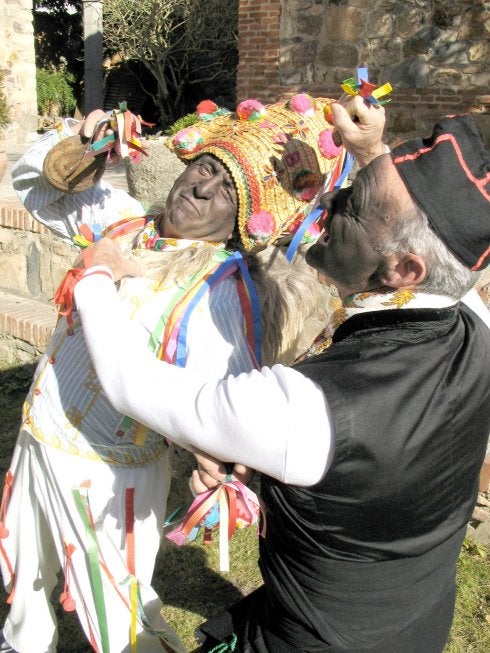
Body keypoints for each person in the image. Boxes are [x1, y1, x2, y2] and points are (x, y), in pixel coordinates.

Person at [71, 96, 489, 653]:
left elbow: (130, 382)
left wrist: (95, 277)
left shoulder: (310, 408)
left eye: (355, 205)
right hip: (415, 625)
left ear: (403, 270)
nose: (329, 197)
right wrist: (370, 153)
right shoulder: (470, 326)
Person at [0, 97, 345, 653]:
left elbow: (213, 402)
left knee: (116, 606)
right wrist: (84, 148)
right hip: (37, 434)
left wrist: (215, 459)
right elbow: (36, 188)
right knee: (22, 566)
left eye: (228, 190)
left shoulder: (219, 292)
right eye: (207, 168)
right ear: (186, 165)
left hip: (108, 474)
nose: (205, 189)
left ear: (240, 221)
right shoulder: (124, 221)